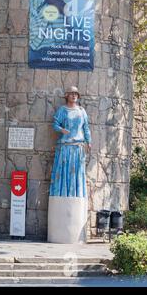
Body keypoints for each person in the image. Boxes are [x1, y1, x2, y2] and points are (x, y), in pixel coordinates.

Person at [47, 85, 91, 244]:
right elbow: (55, 124)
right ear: (67, 96)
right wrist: (62, 130)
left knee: (77, 176)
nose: (74, 96)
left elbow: (86, 127)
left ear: (78, 96)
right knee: (63, 175)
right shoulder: (63, 110)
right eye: (71, 94)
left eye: (76, 94)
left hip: (78, 147)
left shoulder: (82, 111)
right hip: (65, 146)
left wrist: (89, 141)